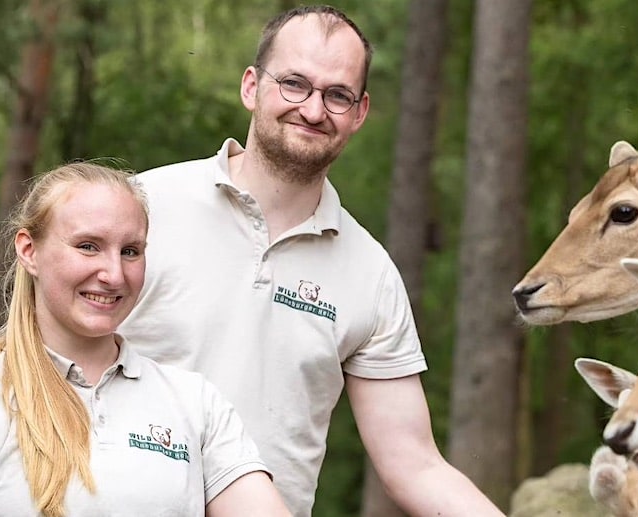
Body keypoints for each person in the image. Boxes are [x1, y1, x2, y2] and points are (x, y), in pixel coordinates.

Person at [118, 5, 504, 516]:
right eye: (294, 84)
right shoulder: (141, 207)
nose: (314, 110)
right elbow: (43, 369)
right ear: (252, 87)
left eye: (337, 95)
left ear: (360, 112)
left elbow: (414, 463)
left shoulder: (370, 274)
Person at [0, 163, 291, 517]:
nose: (114, 274)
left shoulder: (196, 403)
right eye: (88, 246)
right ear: (29, 251)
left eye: (130, 251)